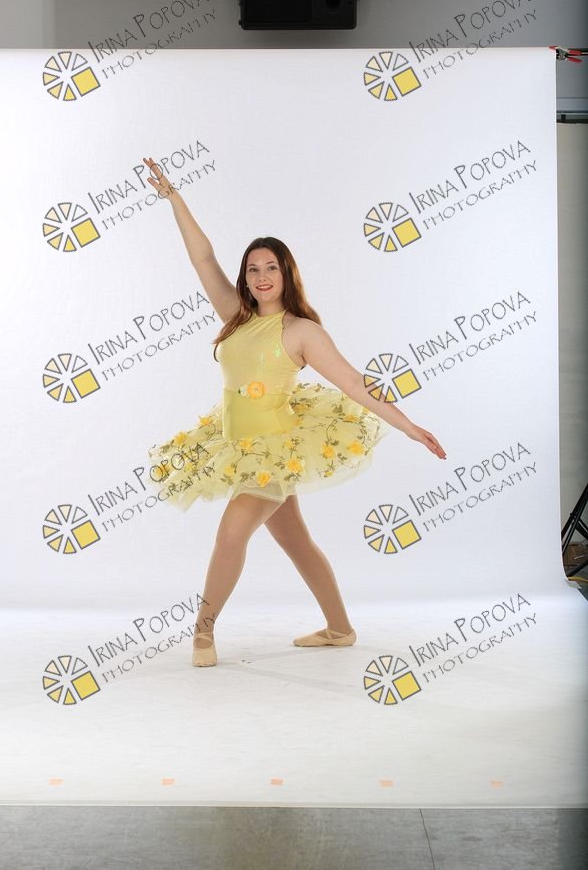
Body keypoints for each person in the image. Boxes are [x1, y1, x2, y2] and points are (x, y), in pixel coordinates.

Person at [143, 157, 446, 668]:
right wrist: (175, 198)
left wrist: (410, 427)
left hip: (275, 450)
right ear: (245, 277)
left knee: (231, 532)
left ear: (286, 274)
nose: (262, 277)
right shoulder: (235, 317)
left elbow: (355, 384)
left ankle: (203, 632)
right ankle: (340, 629)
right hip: (235, 442)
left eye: (271, 268)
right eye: (253, 269)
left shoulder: (301, 331)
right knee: (298, 542)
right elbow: (203, 258)